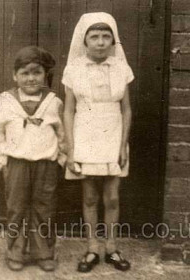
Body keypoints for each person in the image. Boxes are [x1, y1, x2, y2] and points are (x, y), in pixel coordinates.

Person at [62, 13, 134, 272]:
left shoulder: (121, 69)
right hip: (85, 135)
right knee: (91, 196)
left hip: (113, 134)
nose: (101, 42)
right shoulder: (73, 69)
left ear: (114, 40)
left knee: (112, 197)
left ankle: (112, 247)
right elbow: (69, 111)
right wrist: (71, 149)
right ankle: (93, 247)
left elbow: (126, 109)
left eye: (106, 36)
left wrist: (123, 145)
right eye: (94, 36)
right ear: (85, 40)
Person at [0, 46, 66, 272]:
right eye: (25, 73)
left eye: (36, 72)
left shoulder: (53, 102)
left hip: (46, 164)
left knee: (44, 207)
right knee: (17, 208)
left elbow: (63, 133)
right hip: (16, 164)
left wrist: (61, 157)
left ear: (45, 75)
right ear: (15, 76)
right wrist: (1, 160)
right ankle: (16, 251)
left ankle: (43, 252)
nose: (31, 78)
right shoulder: (5, 100)